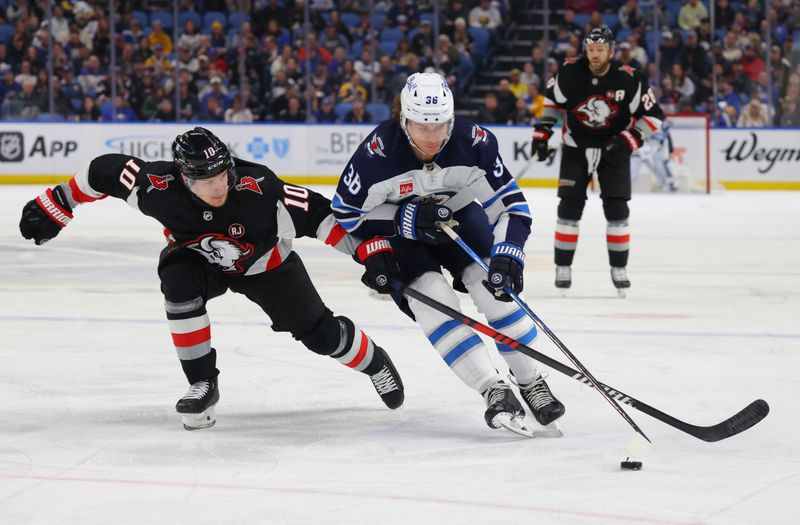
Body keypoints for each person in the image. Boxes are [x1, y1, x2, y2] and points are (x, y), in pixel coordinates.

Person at [19, 127, 404, 430]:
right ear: (184, 178)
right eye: (206, 180)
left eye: (223, 175)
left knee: (321, 335)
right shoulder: (156, 187)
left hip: (266, 266)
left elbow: (322, 217)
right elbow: (101, 172)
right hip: (198, 260)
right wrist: (56, 204)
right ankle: (203, 382)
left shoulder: (261, 191)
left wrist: (369, 255)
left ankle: (376, 364)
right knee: (178, 285)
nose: (218, 186)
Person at [332, 72, 565, 436]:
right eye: (421, 127)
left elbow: (512, 208)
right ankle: (493, 389)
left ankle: (531, 380)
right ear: (403, 121)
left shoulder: (475, 143)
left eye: (440, 125)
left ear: (451, 119)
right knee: (433, 301)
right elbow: (346, 216)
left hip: (460, 218)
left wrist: (507, 254)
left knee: (495, 290)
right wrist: (404, 219)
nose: (432, 137)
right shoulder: (377, 152)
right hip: (403, 238)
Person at [531, 27, 665, 294]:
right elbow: (552, 105)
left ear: (610, 51)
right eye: (591, 49)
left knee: (617, 210)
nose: (595, 55)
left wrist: (628, 140)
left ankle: (619, 268)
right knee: (569, 208)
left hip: (614, 150)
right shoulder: (569, 71)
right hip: (575, 147)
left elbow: (654, 117)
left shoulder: (628, 78)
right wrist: (542, 133)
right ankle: (563, 267)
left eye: (600, 50)